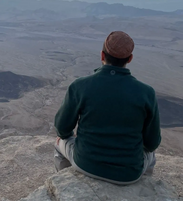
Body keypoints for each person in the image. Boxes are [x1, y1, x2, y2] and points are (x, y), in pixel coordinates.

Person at [54, 31, 161, 185]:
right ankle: (143, 190)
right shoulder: (146, 92)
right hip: (129, 174)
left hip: (85, 164)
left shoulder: (80, 86)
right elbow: (152, 143)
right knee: (151, 156)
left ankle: (67, 183)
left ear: (102, 56)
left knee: (58, 144)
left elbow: (62, 129)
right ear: (130, 59)